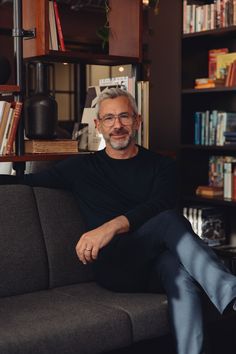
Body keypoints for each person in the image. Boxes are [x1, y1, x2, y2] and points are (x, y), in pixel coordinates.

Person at [1, 87, 236, 354]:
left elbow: (159, 205)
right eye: (110, 119)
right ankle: (231, 293)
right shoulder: (81, 168)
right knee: (170, 223)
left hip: (157, 265)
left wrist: (109, 226)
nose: (118, 126)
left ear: (137, 121)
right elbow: (26, 180)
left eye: (124, 117)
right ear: (98, 125)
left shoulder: (162, 166)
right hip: (116, 267)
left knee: (179, 272)